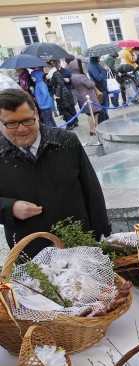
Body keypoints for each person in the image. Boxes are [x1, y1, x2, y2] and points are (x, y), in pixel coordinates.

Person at [0, 88, 110, 258]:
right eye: (12, 123)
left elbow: (92, 192)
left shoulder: (66, 142)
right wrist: (10, 208)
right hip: (31, 251)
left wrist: (102, 238)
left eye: (27, 120)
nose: (21, 129)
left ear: (36, 113)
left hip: (79, 245)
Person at [68, 59, 102, 136]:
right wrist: (92, 81)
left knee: (89, 113)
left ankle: (93, 128)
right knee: (93, 113)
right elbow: (90, 84)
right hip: (89, 96)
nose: (82, 65)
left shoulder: (73, 76)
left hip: (81, 96)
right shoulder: (81, 76)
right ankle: (93, 128)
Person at [87, 56, 109, 122]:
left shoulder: (95, 63)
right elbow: (98, 77)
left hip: (102, 87)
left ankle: (105, 119)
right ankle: (103, 120)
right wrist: (105, 69)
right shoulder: (92, 65)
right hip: (99, 88)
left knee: (105, 105)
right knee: (103, 106)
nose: (100, 56)